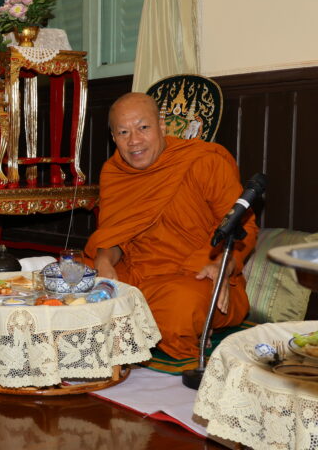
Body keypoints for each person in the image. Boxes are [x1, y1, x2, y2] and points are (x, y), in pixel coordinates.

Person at [84, 92, 257, 360]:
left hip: (196, 276)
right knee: (75, 284)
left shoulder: (203, 161)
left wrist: (222, 266)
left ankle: (175, 328)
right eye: (123, 132)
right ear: (113, 137)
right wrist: (104, 261)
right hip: (139, 275)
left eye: (143, 127)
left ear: (162, 126)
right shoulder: (114, 172)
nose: (134, 141)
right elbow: (114, 235)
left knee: (178, 307)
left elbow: (245, 228)